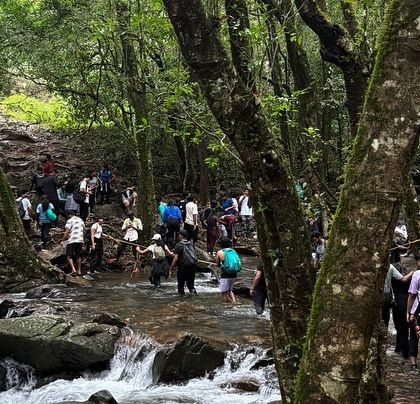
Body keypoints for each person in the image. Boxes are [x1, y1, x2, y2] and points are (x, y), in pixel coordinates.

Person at [168, 229, 198, 295]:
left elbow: (175, 259)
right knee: (191, 285)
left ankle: (181, 301)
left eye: (179, 234)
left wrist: (170, 268)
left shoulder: (179, 245)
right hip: (192, 267)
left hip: (183, 267)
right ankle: (195, 298)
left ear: (181, 236)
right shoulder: (191, 244)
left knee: (181, 286)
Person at [216, 238, 241, 303]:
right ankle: (234, 302)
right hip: (234, 273)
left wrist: (220, 264)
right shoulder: (233, 251)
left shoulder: (220, 252)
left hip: (225, 274)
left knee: (224, 292)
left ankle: (226, 305)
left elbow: (218, 264)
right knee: (230, 290)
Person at [406, 255, 420, 371]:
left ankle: (413, 364)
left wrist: (409, 312)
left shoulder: (417, 274)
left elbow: (412, 294)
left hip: (417, 311)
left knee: (414, 337)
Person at [61, 210, 85, 276]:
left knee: (69, 256)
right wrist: (83, 239)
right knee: (78, 256)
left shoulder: (70, 220)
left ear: (69, 215)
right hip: (80, 240)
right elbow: (84, 230)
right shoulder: (81, 220)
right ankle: (79, 271)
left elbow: (67, 231)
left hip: (72, 240)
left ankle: (73, 270)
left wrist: (62, 240)